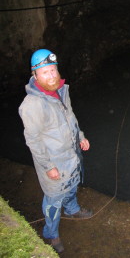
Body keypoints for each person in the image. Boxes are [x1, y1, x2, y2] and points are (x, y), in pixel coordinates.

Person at [19, 49, 92, 253]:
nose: (51, 75)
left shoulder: (61, 90)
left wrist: (81, 136)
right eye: (45, 72)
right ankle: (51, 234)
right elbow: (33, 141)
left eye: (53, 70)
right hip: (53, 162)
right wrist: (49, 167)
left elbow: (71, 116)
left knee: (72, 185)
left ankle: (73, 210)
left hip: (70, 156)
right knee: (53, 199)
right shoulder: (32, 105)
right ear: (35, 75)